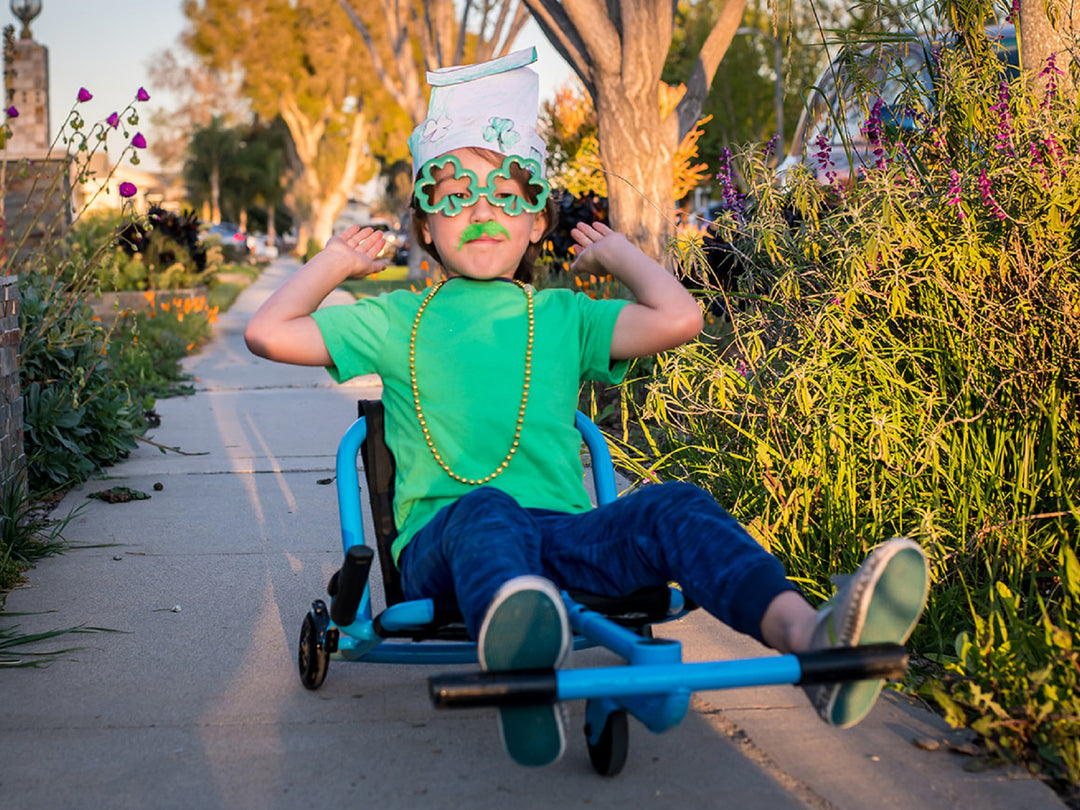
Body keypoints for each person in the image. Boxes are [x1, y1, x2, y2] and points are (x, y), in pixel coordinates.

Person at [244, 48, 930, 769]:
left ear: (538, 222)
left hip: (565, 542)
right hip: (449, 546)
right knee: (488, 510)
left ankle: (811, 637)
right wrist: (336, 264)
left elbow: (679, 318)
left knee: (674, 505)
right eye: (455, 196)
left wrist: (621, 254)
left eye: (507, 195)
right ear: (423, 226)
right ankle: (522, 657)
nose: (482, 210)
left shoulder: (566, 316)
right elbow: (266, 332)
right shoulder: (393, 320)